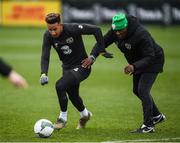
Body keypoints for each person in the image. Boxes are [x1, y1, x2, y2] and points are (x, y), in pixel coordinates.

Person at [92, 13, 166, 133]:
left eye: (121, 31)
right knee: (136, 90)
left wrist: (133, 66)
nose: (118, 33)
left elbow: (150, 56)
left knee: (142, 90)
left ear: (126, 26)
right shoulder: (115, 30)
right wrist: (93, 56)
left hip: (153, 60)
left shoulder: (141, 34)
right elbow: (102, 42)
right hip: (137, 62)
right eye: (116, 31)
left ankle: (148, 126)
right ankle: (157, 116)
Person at [40, 13, 108, 130]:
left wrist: (99, 52)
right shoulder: (48, 35)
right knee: (73, 96)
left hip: (82, 66)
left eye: (55, 29)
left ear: (60, 25)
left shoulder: (72, 29)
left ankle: (62, 119)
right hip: (67, 68)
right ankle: (85, 115)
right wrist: (43, 73)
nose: (53, 32)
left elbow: (96, 30)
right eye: (50, 29)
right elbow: (45, 55)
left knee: (60, 85)